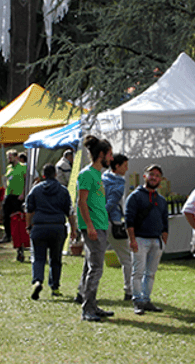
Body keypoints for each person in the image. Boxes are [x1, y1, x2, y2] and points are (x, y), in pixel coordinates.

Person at [75, 135, 115, 322]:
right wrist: (89, 226)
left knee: (89, 266)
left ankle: (88, 302)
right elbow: (81, 202)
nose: (111, 159)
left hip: (100, 225)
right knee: (96, 268)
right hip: (93, 227)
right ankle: (88, 309)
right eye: (110, 154)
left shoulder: (98, 175)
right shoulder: (86, 174)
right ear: (101, 155)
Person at [25, 164, 77, 300]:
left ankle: (37, 280)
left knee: (38, 257)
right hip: (57, 227)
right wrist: (74, 229)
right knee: (56, 258)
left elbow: (29, 210)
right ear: (55, 174)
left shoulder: (35, 190)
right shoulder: (63, 190)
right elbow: (70, 212)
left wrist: (28, 226)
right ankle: (55, 287)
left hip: (39, 226)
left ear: (43, 175)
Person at [125, 165, 169, 315]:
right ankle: (137, 301)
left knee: (150, 273)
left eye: (157, 175)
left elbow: (165, 222)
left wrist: (163, 241)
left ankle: (146, 299)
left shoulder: (161, 200)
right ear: (145, 176)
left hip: (156, 241)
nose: (154, 178)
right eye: (151, 174)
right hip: (140, 239)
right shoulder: (135, 196)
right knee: (138, 272)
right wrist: (132, 240)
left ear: (160, 180)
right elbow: (129, 220)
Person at [103, 153, 132, 301]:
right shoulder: (119, 183)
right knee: (126, 259)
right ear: (117, 166)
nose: (127, 169)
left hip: (99, 222)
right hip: (113, 223)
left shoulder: (102, 177)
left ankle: (82, 291)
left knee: (93, 259)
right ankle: (129, 290)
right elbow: (111, 203)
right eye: (125, 166)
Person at [0, 150, 27, 244]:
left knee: (19, 215)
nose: (9, 159)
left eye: (10, 157)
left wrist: (23, 193)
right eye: (8, 157)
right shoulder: (9, 167)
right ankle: (7, 235)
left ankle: (22, 235)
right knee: (5, 215)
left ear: (16, 157)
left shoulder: (23, 167)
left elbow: (26, 181)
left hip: (18, 195)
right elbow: (7, 180)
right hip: (9, 194)